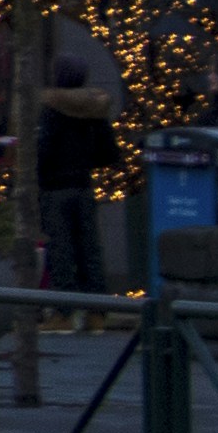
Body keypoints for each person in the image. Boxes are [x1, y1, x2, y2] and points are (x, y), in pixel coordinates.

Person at [34, 52, 124, 298]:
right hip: (83, 186)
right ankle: (97, 309)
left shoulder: (52, 110)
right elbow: (109, 152)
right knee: (89, 248)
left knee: (59, 249)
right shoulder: (94, 109)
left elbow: (44, 150)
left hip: (54, 188)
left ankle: (63, 310)